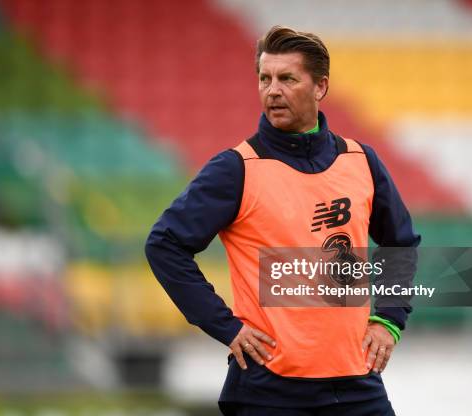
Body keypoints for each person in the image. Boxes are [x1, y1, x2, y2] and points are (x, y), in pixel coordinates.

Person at [145, 25, 420, 416]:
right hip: (269, 392)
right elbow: (164, 245)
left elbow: (400, 243)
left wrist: (388, 321)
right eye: (264, 78)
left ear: (320, 87)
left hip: (358, 386)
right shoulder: (235, 168)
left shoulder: (361, 160)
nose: (272, 90)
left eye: (287, 78)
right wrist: (226, 326)